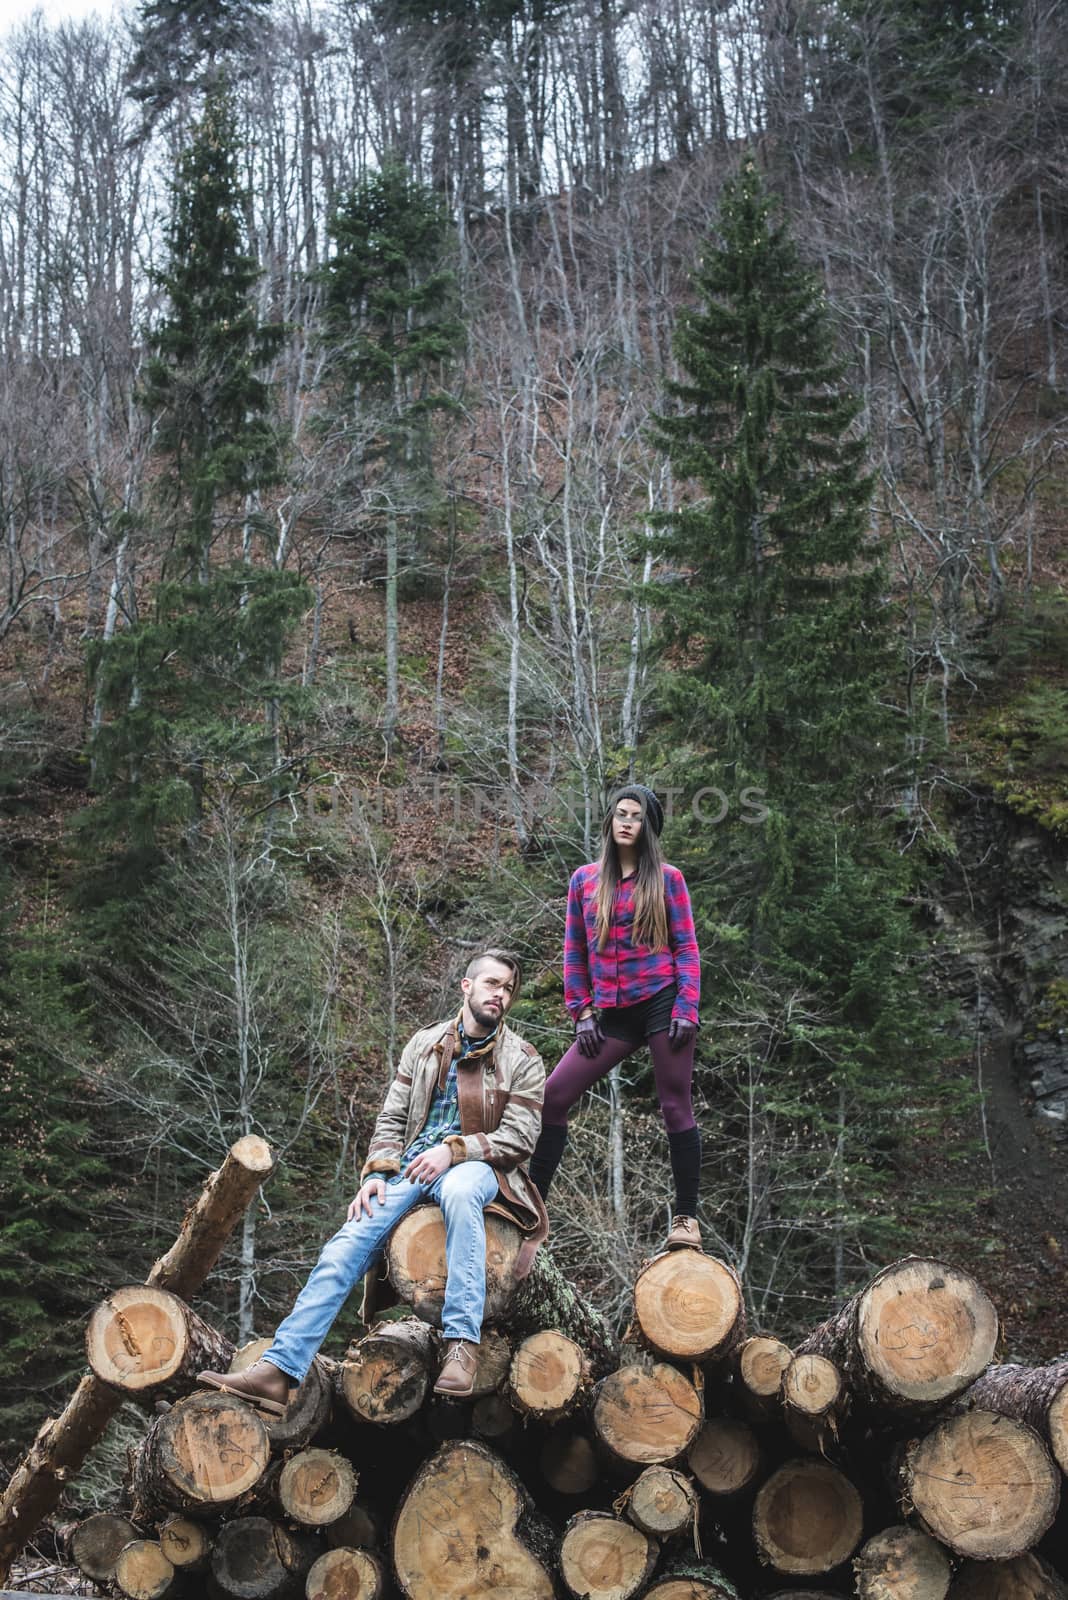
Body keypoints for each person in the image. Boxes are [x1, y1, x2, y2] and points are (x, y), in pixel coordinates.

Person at [199, 950, 546, 1408]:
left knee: (462, 1192)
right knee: (345, 1244)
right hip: (412, 1168)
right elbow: (392, 1117)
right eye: (491, 984)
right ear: (467, 986)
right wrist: (378, 1171)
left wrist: (454, 1150)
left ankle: (462, 1345)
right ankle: (280, 1369)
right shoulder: (423, 1044)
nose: (499, 995)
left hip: (479, 1169)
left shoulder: (522, 1058)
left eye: (507, 989)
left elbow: (519, 1137)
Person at [528, 784, 703, 1250]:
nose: (626, 821)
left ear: (649, 827)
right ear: (610, 821)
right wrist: (581, 1011)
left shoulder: (668, 879)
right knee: (553, 1096)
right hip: (609, 1014)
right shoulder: (584, 881)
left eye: (636, 816)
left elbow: (686, 947)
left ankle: (686, 1219)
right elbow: (574, 951)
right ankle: (531, 1210)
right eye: (620, 814)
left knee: (674, 1105)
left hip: (663, 1002)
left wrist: (687, 1007)